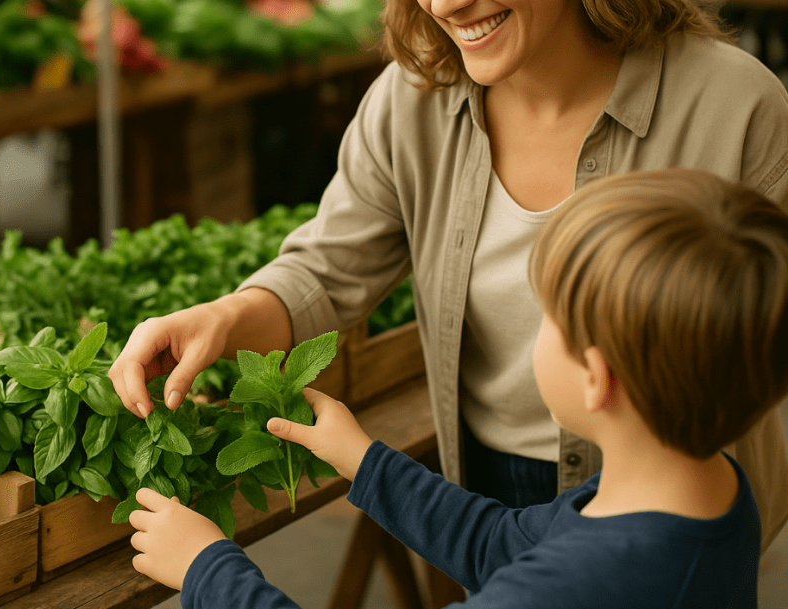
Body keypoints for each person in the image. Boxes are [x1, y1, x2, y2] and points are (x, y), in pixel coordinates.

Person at [108, 0, 788, 551]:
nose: (444, 5)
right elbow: (327, 266)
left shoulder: (737, 106)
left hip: (670, 503)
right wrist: (222, 318)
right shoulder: (410, 100)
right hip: (479, 482)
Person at [127, 169, 788, 608]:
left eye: (548, 317)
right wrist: (364, 459)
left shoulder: (574, 584)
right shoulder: (708, 490)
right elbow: (502, 542)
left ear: (595, 377)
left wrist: (207, 569)